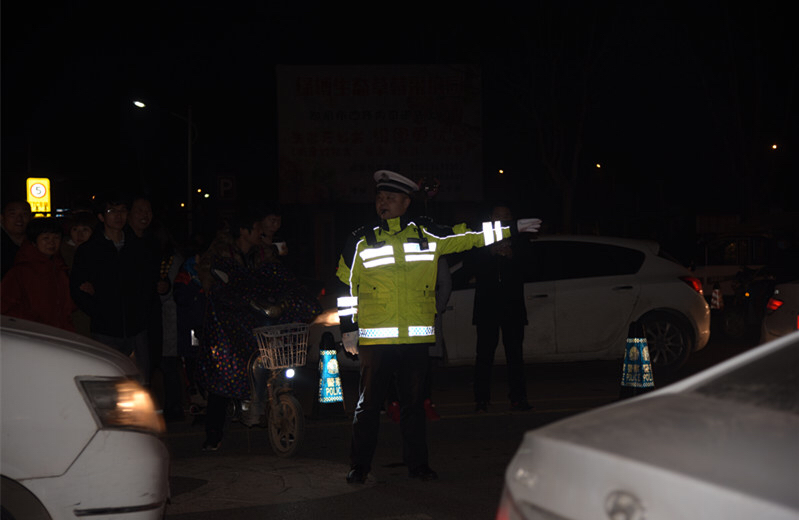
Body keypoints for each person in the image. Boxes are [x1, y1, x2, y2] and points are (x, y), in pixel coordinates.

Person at [337, 170, 541, 484]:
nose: (383, 203)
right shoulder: (361, 239)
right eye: (380, 197)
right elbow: (345, 285)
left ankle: (418, 465)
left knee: (414, 405)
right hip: (376, 339)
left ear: (406, 203)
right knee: (368, 406)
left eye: (390, 198)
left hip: (416, 339)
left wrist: (511, 228)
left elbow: (469, 235)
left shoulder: (427, 233)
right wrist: (348, 328)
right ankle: (359, 466)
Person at [195, 203, 320, 451]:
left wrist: (289, 299)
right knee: (226, 373)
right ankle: (213, 434)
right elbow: (215, 285)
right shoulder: (222, 253)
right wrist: (238, 297)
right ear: (244, 231)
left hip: (256, 318)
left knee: (273, 356)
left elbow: (278, 278)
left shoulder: (262, 253)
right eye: (256, 228)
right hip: (228, 322)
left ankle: (264, 404)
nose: (261, 232)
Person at [69, 194, 159, 384]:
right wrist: (100, 311)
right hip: (105, 330)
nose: (118, 216)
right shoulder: (89, 250)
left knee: (140, 383)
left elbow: (149, 284)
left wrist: (141, 312)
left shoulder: (138, 247)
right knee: (108, 382)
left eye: (122, 211)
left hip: (137, 329)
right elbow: (78, 289)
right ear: (101, 216)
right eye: (112, 211)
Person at [470, 204, 532, 413]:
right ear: (491, 217)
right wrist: (490, 252)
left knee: (515, 355)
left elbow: (531, 266)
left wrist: (512, 254)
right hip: (487, 306)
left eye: (506, 216)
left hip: (512, 306)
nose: (503, 219)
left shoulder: (520, 238)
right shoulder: (481, 237)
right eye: (498, 215)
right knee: (484, 355)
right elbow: (470, 265)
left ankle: (518, 398)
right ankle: (481, 399)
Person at [1, 217, 76, 331]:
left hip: (60, 332)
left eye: (56, 238)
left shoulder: (60, 267)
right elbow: (5, 306)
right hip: (32, 332)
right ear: (34, 242)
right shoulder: (20, 271)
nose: (51, 242)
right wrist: (32, 322)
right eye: (46, 238)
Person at [1, 200, 32, 279]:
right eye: (13, 214)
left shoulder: (38, 243)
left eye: (24, 214)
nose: (19, 219)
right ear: (2, 218)